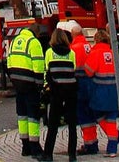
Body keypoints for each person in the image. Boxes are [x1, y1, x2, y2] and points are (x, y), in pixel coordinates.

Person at [39, 22, 79, 162]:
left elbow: (47, 71)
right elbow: (73, 70)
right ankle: (72, 155)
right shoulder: (71, 53)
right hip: (71, 92)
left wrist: (46, 88)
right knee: (72, 125)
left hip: (56, 92)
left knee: (53, 125)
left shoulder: (49, 52)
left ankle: (48, 154)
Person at [7, 21, 46, 157]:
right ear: (36, 33)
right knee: (33, 117)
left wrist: (13, 80)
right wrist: (40, 86)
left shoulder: (15, 40)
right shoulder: (34, 42)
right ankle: (35, 148)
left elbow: (9, 61)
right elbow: (38, 66)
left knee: (22, 116)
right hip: (30, 85)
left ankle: (25, 147)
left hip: (18, 85)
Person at [83, 28, 119, 157]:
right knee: (111, 119)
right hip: (113, 92)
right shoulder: (112, 53)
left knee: (99, 117)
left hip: (99, 92)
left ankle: (114, 144)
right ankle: (114, 144)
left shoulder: (95, 53)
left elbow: (88, 71)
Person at [68, 22, 99, 155]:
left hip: (80, 86)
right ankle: (93, 142)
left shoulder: (73, 48)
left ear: (73, 35)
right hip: (91, 84)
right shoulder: (88, 46)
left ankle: (89, 144)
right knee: (91, 115)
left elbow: (72, 68)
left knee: (84, 116)